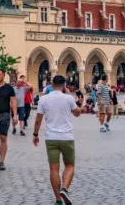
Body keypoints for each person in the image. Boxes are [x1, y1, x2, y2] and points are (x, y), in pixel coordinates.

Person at [33, 75, 80, 205]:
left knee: (54, 168)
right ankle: (64, 188)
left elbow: (38, 120)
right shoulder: (68, 98)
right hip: (66, 137)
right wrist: (72, 96)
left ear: (51, 84)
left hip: (51, 137)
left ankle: (58, 200)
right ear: (64, 85)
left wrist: (35, 134)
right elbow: (78, 113)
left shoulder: (44, 99)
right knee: (69, 165)